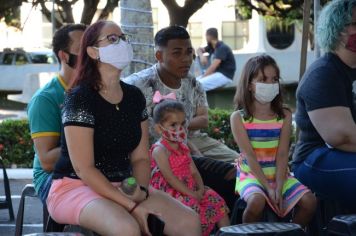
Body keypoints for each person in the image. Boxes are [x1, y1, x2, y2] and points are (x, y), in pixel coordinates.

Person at [46, 20, 201, 236]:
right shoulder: (80, 98)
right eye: (112, 39)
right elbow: (84, 169)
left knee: (189, 222)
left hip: (123, 185)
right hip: (75, 186)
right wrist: (132, 207)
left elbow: (140, 159)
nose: (122, 43)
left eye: (123, 37)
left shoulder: (133, 96)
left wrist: (141, 192)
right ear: (93, 51)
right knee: (126, 228)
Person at [124, 25, 239, 210]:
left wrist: (179, 129)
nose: (186, 59)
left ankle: (233, 223)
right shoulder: (136, 85)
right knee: (219, 173)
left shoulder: (194, 83)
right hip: (156, 151)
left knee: (240, 166)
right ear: (159, 56)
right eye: (177, 53)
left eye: (189, 52)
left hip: (193, 141)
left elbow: (204, 119)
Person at [230, 54, 316, 227]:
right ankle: (249, 232)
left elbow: (283, 153)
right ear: (249, 85)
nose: (270, 84)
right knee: (256, 202)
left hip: (279, 174)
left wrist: (278, 184)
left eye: (274, 79)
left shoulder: (284, 115)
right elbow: (249, 156)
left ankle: (288, 232)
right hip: (252, 175)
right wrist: (268, 189)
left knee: (310, 202)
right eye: (263, 79)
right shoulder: (238, 118)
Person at [292, 0, 356, 210]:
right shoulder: (323, 74)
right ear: (337, 30)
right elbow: (343, 138)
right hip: (314, 158)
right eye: (355, 24)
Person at [149, 97, 230, 236]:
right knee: (191, 206)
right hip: (172, 193)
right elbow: (170, 179)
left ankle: (227, 233)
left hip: (192, 188)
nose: (179, 129)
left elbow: (194, 171)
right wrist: (192, 194)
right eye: (173, 124)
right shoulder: (160, 150)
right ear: (158, 128)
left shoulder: (183, 147)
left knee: (215, 199)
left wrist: (200, 188)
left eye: (182, 123)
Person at [28, 23, 86, 204]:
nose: (89, 55)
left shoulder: (99, 91)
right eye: (82, 49)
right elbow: (46, 162)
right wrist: (92, 140)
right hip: (51, 178)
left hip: (91, 171)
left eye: (91, 47)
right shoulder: (46, 99)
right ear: (64, 55)